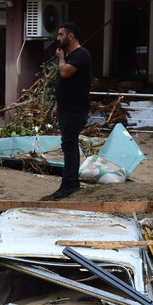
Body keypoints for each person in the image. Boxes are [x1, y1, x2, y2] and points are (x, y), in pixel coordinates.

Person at [47, 22, 91, 199]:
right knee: (68, 145)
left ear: (70, 36)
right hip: (66, 108)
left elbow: (65, 73)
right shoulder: (71, 55)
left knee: (69, 145)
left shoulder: (81, 55)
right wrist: (58, 104)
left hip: (75, 109)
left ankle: (69, 184)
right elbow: (64, 85)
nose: (58, 38)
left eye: (60, 35)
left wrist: (60, 58)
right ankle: (71, 183)